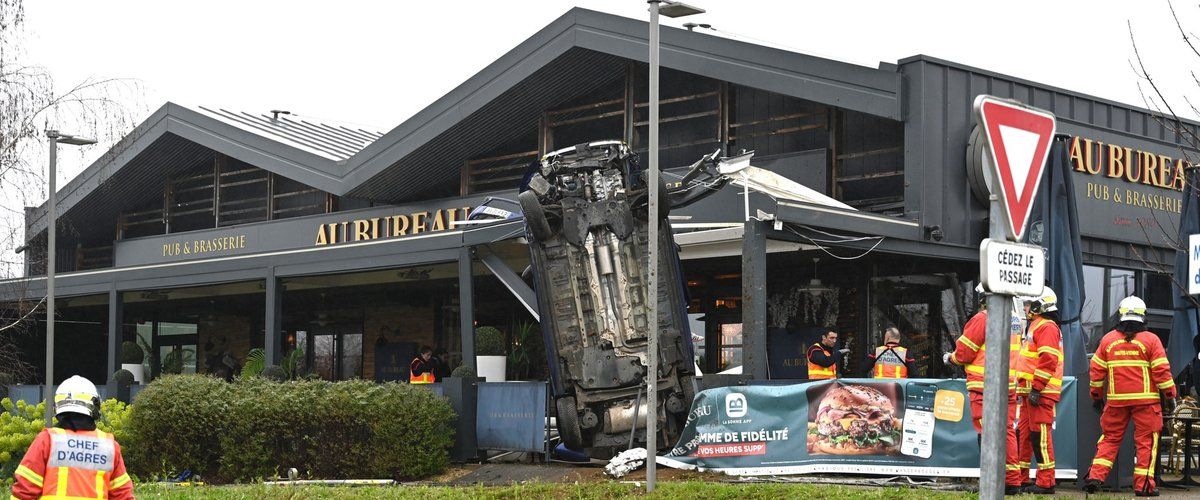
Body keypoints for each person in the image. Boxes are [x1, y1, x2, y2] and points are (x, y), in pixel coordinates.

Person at [1084, 296, 1177, 497]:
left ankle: (1095, 477)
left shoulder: (1108, 340)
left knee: (1109, 439)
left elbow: (1096, 371)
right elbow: (1161, 371)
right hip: (1146, 403)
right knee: (1146, 443)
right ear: (1143, 316)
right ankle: (1143, 486)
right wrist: (1170, 395)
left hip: (1117, 402)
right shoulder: (1151, 340)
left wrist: (1096, 395)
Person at [943, 284, 1024, 495]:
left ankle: (992, 480)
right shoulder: (1015, 318)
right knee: (1006, 431)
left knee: (986, 433)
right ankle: (1012, 481)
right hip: (1008, 384)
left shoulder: (982, 318)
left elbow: (965, 353)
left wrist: (950, 358)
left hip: (984, 385)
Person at [11, 375, 133, 500]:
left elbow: (25, 489)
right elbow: (122, 495)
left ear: (58, 407)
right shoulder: (109, 446)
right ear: (95, 406)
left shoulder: (47, 440)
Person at [1014, 286, 1064, 494]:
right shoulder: (1037, 326)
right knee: (1023, 434)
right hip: (1030, 391)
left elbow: (1048, 359)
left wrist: (1037, 387)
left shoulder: (1047, 327)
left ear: (1038, 305)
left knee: (1039, 435)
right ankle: (1022, 477)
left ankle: (1046, 481)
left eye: (1028, 304)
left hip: (1040, 391)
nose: (1025, 308)